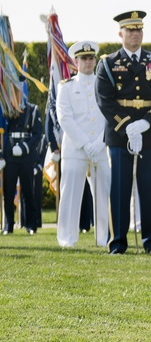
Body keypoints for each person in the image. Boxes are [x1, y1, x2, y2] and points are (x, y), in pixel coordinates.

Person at [95, 10, 151, 254]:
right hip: (120, 136)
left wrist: (146, 123)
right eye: (130, 30)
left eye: (139, 29)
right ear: (121, 33)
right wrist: (128, 125)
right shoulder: (108, 63)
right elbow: (104, 100)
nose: (135, 34)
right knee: (119, 188)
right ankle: (117, 241)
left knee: (149, 188)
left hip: (148, 134)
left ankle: (150, 241)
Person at [55, 41, 110, 248]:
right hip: (75, 149)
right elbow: (65, 118)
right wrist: (86, 143)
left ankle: (103, 238)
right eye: (83, 58)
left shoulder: (105, 85)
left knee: (103, 195)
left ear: (95, 60)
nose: (88, 62)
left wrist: (100, 142)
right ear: (76, 61)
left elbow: (109, 115)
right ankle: (67, 239)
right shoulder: (66, 87)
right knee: (70, 195)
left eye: (91, 58)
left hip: (100, 148)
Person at [0, 98, 44, 234]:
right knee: (8, 192)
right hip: (9, 155)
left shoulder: (32, 109)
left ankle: (31, 225)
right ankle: (8, 226)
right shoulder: (5, 108)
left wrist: (24, 147)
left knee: (28, 192)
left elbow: (37, 134)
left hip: (26, 155)